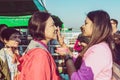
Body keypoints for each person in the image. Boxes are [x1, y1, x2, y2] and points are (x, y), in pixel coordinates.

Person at [56, 10, 114, 80]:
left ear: (96, 26)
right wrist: (63, 44)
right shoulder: (99, 47)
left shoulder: (99, 51)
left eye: (86, 23)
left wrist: (67, 58)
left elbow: (78, 78)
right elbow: (79, 61)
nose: (83, 26)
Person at [17, 11, 60, 80]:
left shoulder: (38, 51)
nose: (56, 28)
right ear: (41, 28)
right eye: (52, 25)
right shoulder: (39, 55)